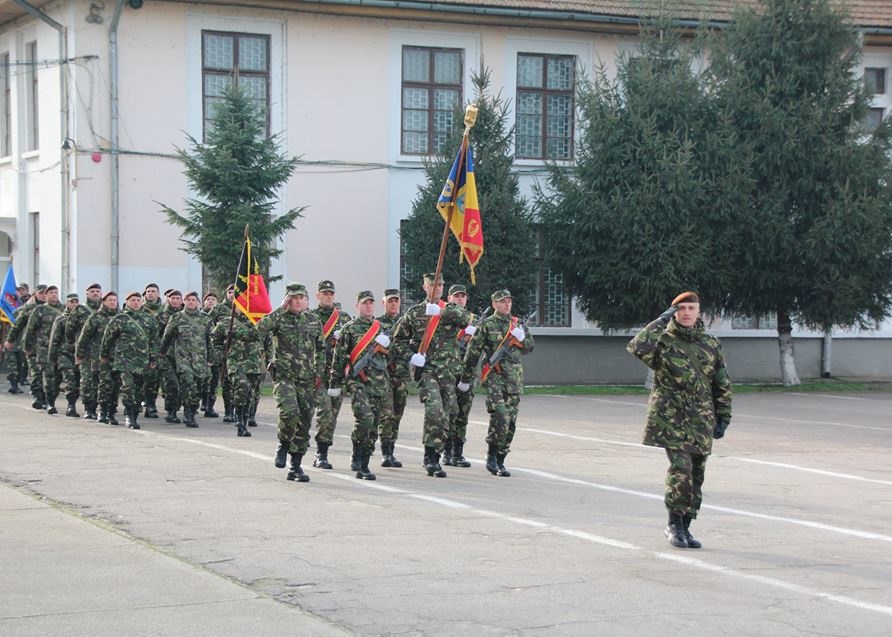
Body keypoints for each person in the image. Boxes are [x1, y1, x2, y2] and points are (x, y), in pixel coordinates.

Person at [626, 291, 732, 549]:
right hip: (671, 418)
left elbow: (721, 381)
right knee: (681, 470)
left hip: (701, 418)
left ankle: (686, 526)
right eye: (681, 308)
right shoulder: (662, 341)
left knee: (697, 474)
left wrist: (723, 415)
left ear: (699, 312)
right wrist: (660, 321)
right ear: (673, 312)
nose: (686, 313)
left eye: (691, 308)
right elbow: (637, 346)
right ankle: (673, 524)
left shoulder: (711, 343)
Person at [392, 273, 471, 477]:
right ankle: (431, 458)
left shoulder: (451, 309)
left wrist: (441, 311)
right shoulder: (415, 313)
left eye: (440, 285)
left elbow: (466, 320)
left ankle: (437, 452)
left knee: (448, 414)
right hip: (427, 371)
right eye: (433, 285)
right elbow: (397, 341)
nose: (437, 289)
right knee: (434, 411)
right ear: (425, 287)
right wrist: (411, 356)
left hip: (449, 372)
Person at [460, 289, 534, 478]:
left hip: (514, 380)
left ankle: (501, 459)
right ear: (494, 304)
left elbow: (529, 348)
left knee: (511, 422)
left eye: (509, 301)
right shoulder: (487, 325)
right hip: (495, 377)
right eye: (502, 301)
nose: (507, 304)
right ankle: (492, 454)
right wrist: (465, 378)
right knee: (501, 415)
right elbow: (473, 352)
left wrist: (521, 338)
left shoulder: (517, 324)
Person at [257, 283, 325, 482]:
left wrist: (319, 373)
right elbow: (260, 328)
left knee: (304, 421)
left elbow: (321, 349)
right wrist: (280, 308)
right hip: (285, 377)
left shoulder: (313, 320)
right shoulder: (280, 318)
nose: (297, 302)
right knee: (289, 412)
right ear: (287, 300)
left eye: (301, 298)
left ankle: (295, 466)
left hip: (307, 379)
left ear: (306, 301)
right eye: (293, 298)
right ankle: (283, 443)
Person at [329, 290, 394, 480]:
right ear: (357, 306)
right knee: (365, 419)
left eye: (370, 303)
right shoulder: (349, 329)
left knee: (373, 426)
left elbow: (396, 355)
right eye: (364, 303)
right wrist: (335, 383)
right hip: (358, 382)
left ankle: (362, 457)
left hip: (379, 383)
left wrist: (386, 346)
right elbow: (339, 358)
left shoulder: (382, 328)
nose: (368, 306)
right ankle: (362, 465)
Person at [100, 292, 157, 429]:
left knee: (139, 390)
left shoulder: (149, 320)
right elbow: (107, 339)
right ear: (127, 302)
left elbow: (154, 340)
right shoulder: (119, 319)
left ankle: (134, 414)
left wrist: (153, 357)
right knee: (128, 387)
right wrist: (104, 356)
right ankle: (128, 415)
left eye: (138, 300)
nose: (136, 302)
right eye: (133, 300)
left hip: (142, 361)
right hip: (124, 360)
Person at [311, 280, 351, 470]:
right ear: (318, 295)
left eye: (331, 293)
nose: (328, 296)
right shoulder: (310, 317)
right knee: (325, 411)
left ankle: (324, 449)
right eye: (325, 293)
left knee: (333, 414)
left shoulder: (344, 318)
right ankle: (321, 453)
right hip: (318, 374)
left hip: (337, 375)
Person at [160, 291, 212, 428]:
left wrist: (212, 358)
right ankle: (187, 413)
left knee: (198, 386)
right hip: (182, 357)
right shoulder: (177, 317)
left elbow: (210, 340)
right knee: (188, 382)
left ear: (198, 302)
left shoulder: (206, 319)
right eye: (188, 300)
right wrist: (162, 353)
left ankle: (192, 409)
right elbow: (167, 336)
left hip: (200, 359)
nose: (190, 302)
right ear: (184, 302)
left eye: (193, 300)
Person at [211, 308, 262, 438]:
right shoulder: (225, 323)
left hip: (253, 362)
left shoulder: (258, 322)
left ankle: (243, 424)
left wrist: (235, 334)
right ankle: (238, 417)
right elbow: (215, 340)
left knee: (249, 394)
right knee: (241, 385)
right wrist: (221, 355)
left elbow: (256, 335)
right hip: (235, 361)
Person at [444, 284, 479, 468]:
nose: (459, 299)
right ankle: (446, 452)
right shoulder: (445, 319)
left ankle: (458, 453)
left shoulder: (474, 321)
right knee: (449, 412)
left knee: (463, 414)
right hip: (448, 372)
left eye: (462, 296)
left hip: (467, 374)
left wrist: (475, 335)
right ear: (449, 298)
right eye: (456, 296)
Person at [76, 291, 120, 424]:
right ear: (104, 302)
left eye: (114, 300)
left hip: (118, 358)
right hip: (99, 358)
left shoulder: (121, 317)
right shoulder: (96, 317)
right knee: (100, 385)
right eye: (110, 300)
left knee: (115, 386)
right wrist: (79, 355)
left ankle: (111, 411)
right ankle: (95, 409)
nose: (112, 302)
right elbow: (84, 337)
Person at [375, 288, 407, 468]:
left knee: (397, 414)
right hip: (384, 375)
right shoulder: (377, 324)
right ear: (384, 303)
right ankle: (386, 452)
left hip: (401, 375)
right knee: (387, 414)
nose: (393, 304)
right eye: (390, 301)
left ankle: (391, 450)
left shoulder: (405, 323)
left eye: (396, 301)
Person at [23, 285, 65, 412]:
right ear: (46, 295)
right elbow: (30, 329)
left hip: (59, 349)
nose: (54, 295)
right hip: (42, 349)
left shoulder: (64, 310)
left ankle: (50, 398)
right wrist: (27, 346)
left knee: (57, 377)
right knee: (46, 375)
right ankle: (43, 399)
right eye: (51, 292)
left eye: (56, 292)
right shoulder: (39, 310)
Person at [67, 283, 101, 418]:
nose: (95, 293)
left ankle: (100, 407)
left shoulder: (106, 309)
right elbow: (69, 330)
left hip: (102, 353)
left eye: (97, 291)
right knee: (87, 380)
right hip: (85, 352)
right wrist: (75, 345)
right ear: (87, 294)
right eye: (92, 291)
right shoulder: (80, 310)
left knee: (100, 382)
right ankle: (89, 408)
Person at [47, 293, 82, 417]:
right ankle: (51, 403)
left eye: (76, 302)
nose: (74, 304)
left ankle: (71, 405)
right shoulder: (61, 319)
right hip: (63, 354)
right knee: (60, 379)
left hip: (77, 355)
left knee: (75, 382)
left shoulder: (82, 319)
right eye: (72, 302)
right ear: (67, 303)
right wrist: (52, 357)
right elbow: (54, 339)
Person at [156, 290, 184, 423]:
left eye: (178, 298)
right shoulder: (161, 315)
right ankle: (171, 411)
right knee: (171, 384)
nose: (175, 301)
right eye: (173, 298)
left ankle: (177, 409)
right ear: (168, 299)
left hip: (184, 355)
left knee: (182, 384)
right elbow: (154, 335)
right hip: (166, 355)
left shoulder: (185, 315)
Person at [141, 284, 163, 418]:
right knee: (139, 378)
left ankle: (151, 404)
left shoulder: (164, 310)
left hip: (158, 348)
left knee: (154, 378)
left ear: (158, 294)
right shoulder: (140, 309)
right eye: (148, 291)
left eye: (153, 291)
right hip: (140, 348)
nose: (150, 293)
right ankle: (137, 402)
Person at [200, 291, 221, 418]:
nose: (210, 301)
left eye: (213, 299)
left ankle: (210, 406)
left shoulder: (220, 315)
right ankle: (202, 401)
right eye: (208, 299)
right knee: (203, 380)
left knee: (214, 380)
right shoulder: (199, 316)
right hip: (200, 353)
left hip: (215, 352)